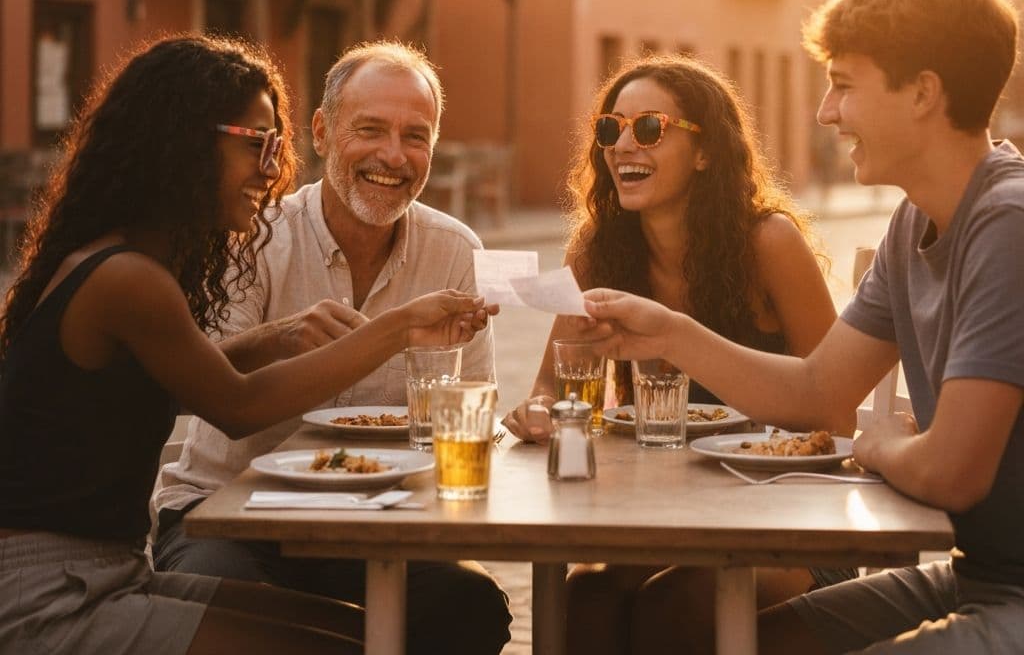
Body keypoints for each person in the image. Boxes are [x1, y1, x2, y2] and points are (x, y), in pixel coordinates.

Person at [584, 0, 1024, 654]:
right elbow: (822, 391)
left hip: (1014, 596)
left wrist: (885, 446)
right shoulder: (915, 223)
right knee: (677, 623)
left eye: (843, 86)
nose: (826, 113)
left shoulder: (1009, 222)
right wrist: (668, 331)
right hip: (978, 579)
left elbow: (951, 472)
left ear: (923, 93)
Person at [0, 34, 495, 655]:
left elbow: (188, 378)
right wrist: (396, 329)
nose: (271, 169)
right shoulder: (129, 279)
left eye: (275, 145)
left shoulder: (130, 264)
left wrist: (279, 335)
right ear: (184, 143)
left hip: (110, 572)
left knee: (367, 637)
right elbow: (234, 406)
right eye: (255, 144)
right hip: (51, 594)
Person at [152, 40, 512, 655]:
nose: (393, 156)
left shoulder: (454, 250)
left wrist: (507, 428)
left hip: (384, 524)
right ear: (321, 130)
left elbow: (472, 416)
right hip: (228, 516)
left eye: (415, 136)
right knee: (220, 593)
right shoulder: (253, 235)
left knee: (470, 606)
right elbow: (210, 386)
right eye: (369, 129)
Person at [502, 53, 846, 655]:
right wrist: (540, 415)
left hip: (792, 523)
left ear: (706, 150)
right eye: (611, 129)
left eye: (651, 129)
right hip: (668, 518)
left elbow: (837, 411)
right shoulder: (597, 251)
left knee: (674, 605)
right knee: (584, 598)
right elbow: (550, 389)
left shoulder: (769, 243)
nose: (623, 145)